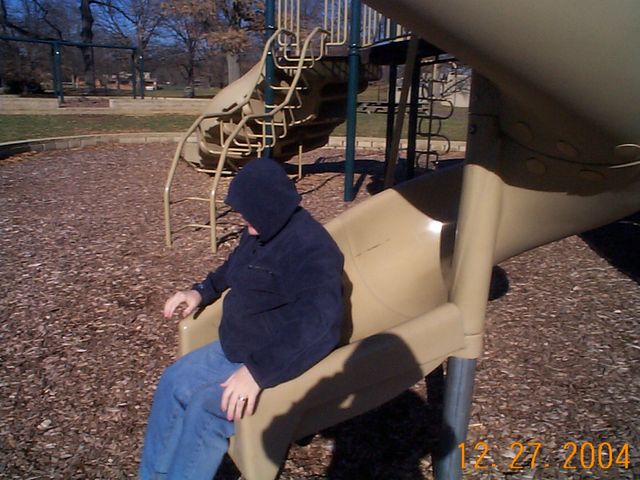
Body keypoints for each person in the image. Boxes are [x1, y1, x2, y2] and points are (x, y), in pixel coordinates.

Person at [139, 158, 345, 479]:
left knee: (206, 409)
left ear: (269, 207)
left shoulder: (313, 250)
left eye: (248, 211)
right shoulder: (261, 230)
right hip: (235, 347)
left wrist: (256, 372)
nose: (243, 218)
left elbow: (320, 324)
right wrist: (200, 291)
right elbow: (233, 267)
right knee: (173, 381)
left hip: (270, 359)